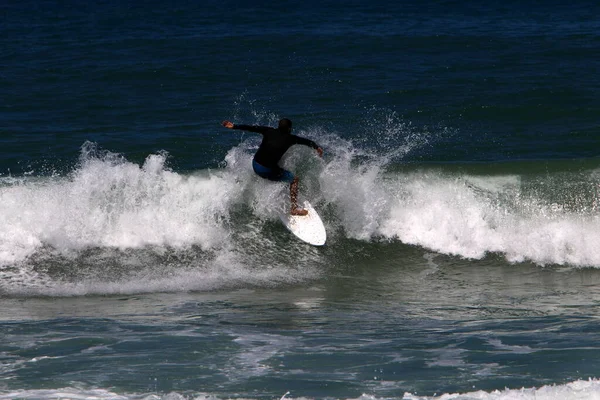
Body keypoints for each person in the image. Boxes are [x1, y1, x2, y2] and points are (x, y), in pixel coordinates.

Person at [221, 118, 323, 216]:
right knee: (294, 180)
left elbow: (252, 128)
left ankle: (276, 176)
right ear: (289, 129)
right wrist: (317, 147)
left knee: (273, 160)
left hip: (255, 164)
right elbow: (306, 141)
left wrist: (234, 126)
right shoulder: (291, 139)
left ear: (278, 126)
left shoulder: (268, 130)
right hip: (265, 171)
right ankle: (294, 209)